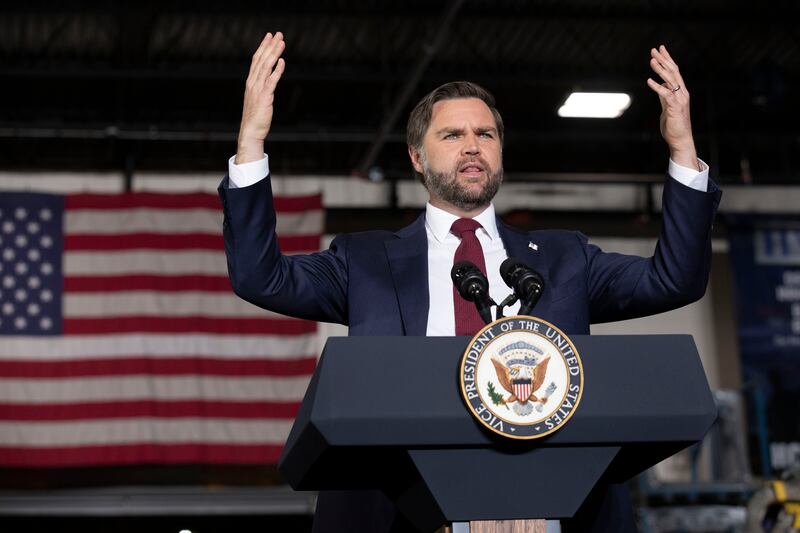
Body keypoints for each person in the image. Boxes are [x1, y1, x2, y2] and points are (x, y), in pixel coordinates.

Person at [219, 32, 721, 533]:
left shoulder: (565, 257)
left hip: (553, 506)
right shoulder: (364, 260)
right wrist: (251, 142)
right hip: (398, 511)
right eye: (452, 136)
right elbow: (262, 277)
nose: (472, 147)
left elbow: (673, 279)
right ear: (417, 157)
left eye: (485, 134)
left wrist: (681, 147)